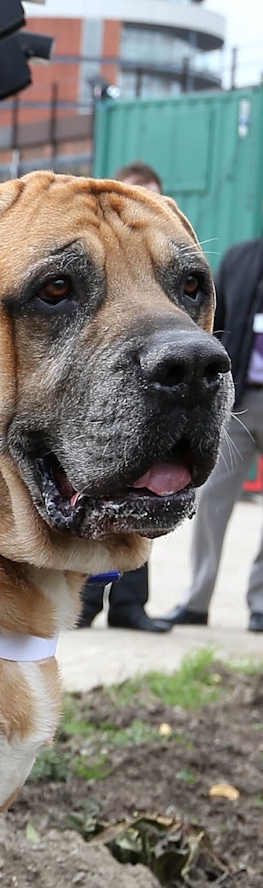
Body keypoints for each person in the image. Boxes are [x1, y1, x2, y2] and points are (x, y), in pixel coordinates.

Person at [76, 160, 173, 633]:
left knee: (150, 500)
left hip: (163, 399)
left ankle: (130, 607)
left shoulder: (169, 246)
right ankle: (86, 604)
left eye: (189, 289)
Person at [160, 226, 263, 634]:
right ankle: (197, 600)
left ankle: (260, 605)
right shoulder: (240, 257)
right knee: (210, 501)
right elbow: (211, 321)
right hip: (240, 402)